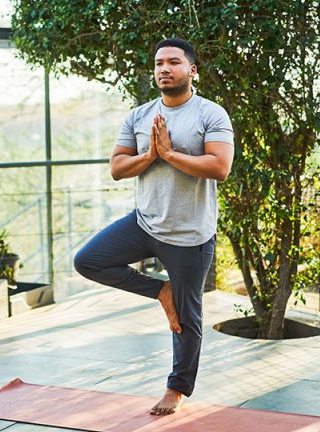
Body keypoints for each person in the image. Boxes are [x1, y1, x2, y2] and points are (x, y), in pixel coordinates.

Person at [73, 38, 234, 416]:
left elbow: (219, 167)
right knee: (88, 260)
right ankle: (161, 290)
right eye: (159, 62)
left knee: (188, 317)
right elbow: (117, 168)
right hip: (144, 223)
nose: (164, 68)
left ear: (191, 70)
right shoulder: (139, 115)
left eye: (174, 62)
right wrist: (149, 155)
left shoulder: (211, 114)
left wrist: (170, 155)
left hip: (190, 235)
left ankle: (176, 391)